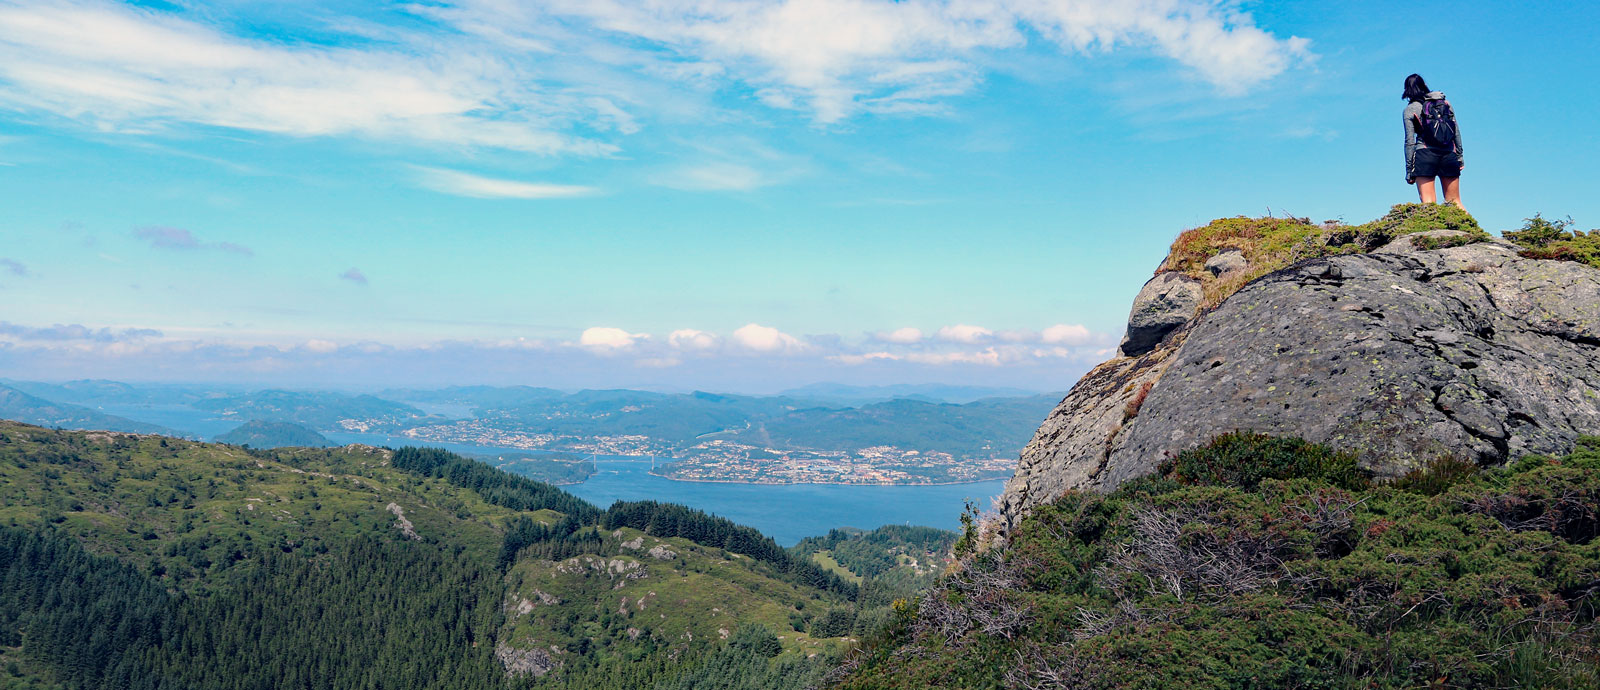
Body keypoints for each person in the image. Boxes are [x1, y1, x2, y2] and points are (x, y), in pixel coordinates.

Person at [1403, 74, 1464, 209]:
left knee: (1428, 203)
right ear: (1424, 85)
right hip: (1448, 153)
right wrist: (1459, 157)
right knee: (1455, 202)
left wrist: (1409, 170)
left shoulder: (1410, 109)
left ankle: (1433, 224)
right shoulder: (1445, 104)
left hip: (1425, 153)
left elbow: (1409, 141)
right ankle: (1468, 223)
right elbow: (1456, 131)